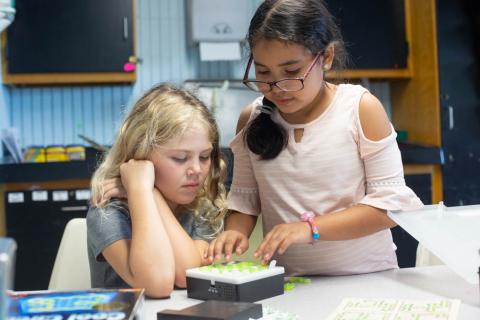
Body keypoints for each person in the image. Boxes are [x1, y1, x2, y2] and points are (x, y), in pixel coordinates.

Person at [207, 0, 423, 276]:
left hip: (368, 279)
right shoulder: (251, 119)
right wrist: (235, 233)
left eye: (292, 72)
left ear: (327, 57)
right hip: (290, 285)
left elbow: (390, 207)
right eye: (263, 73)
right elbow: (244, 201)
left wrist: (310, 229)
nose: (278, 88)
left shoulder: (359, 109)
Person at [87, 84, 227, 297]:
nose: (197, 170)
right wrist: (142, 193)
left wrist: (152, 194)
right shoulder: (108, 212)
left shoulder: (202, 204)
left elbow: (188, 274)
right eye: (180, 158)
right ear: (140, 154)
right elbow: (157, 285)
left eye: (205, 156)